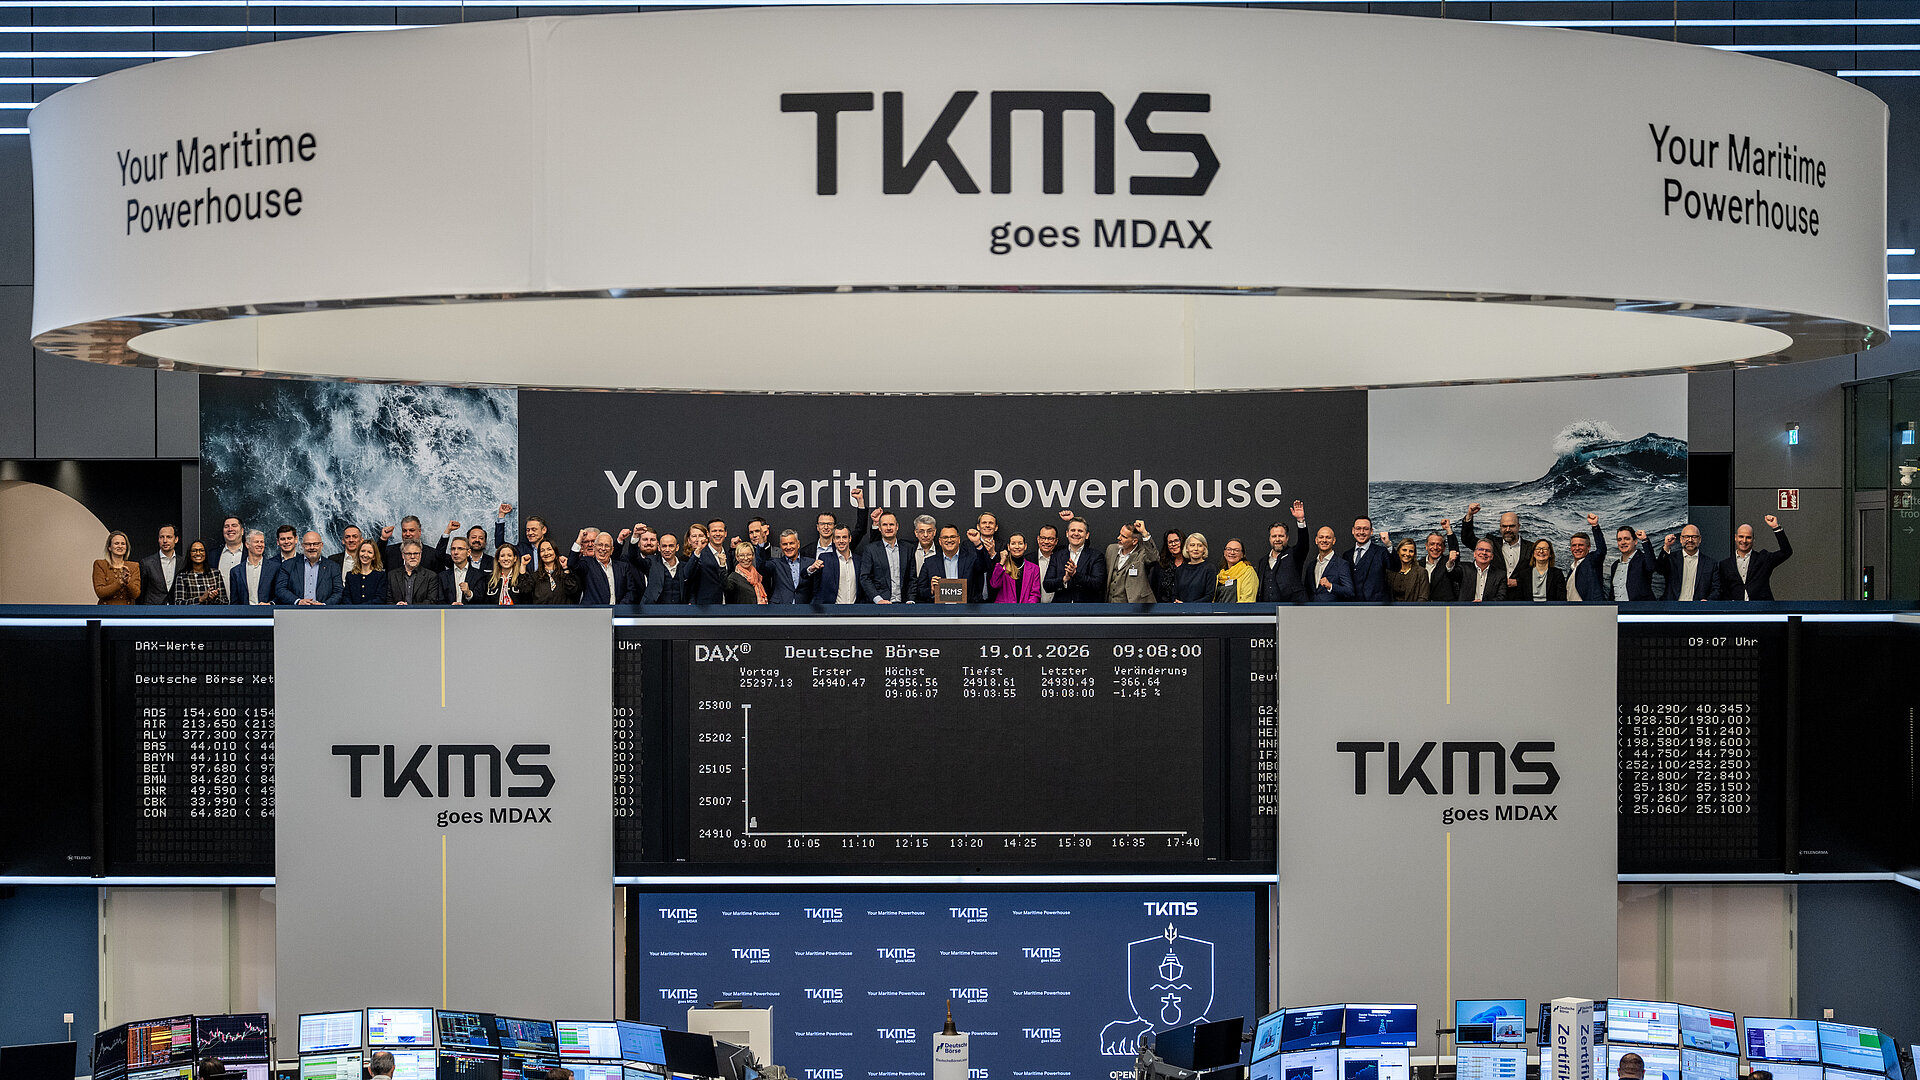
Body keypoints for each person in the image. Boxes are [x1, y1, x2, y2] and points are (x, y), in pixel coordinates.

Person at [1719, 515, 1792, 600]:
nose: (1744, 541)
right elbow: (1722, 591)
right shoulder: (1725, 564)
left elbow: (1786, 552)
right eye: (1741, 536)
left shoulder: (1763, 559)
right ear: (1735, 537)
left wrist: (1775, 527)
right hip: (1736, 607)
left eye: (1748, 537)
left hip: (1761, 607)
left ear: (1753, 539)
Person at [1461, 504, 1528, 595]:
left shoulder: (1530, 548)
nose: (1507, 529)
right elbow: (1468, 539)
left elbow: (1536, 574)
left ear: (1518, 526)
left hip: (1519, 597)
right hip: (1493, 597)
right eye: (1504, 526)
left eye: (1511, 526)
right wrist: (1469, 515)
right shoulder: (1491, 544)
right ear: (1500, 527)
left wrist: (1518, 582)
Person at [915, 523, 990, 602]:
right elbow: (920, 590)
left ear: (959, 539)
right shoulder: (929, 562)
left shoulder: (971, 559)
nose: (949, 540)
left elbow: (984, 567)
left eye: (953, 537)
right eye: (945, 537)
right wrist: (931, 590)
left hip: (967, 607)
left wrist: (977, 543)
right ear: (940, 541)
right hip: (940, 608)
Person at [1044, 514, 1107, 603]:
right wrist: (1064, 579)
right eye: (1073, 530)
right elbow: (1047, 585)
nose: (1076, 533)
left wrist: (1075, 574)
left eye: (1080, 531)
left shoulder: (1096, 556)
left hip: (1086, 609)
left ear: (1087, 535)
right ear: (1067, 533)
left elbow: (1098, 584)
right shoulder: (1057, 556)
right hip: (1061, 608)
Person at [857, 511, 913, 603]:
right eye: (885, 525)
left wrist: (910, 600)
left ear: (897, 527)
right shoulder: (870, 549)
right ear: (879, 528)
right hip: (880, 604)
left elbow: (912, 578)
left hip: (904, 604)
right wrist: (878, 599)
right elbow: (865, 578)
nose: (888, 528)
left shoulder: (908, 548)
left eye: (891, 524)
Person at [275, 532, 344, 605]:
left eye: (315, 544)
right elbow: (280, 589)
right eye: (308, 544)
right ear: (302, 546)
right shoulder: (288, 565)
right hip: (296, 609)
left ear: (321, 545)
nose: (312, 547)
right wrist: (298, 601)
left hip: (324, 610)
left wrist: (324, 605)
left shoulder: (333, 567)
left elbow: (338, 592)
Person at [574, 530, 639, 605]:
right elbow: (572, 564)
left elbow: (631, 591)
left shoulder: (623, 567)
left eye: (607, 546)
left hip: (618, 610)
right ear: (594, 548)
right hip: (593, 610)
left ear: (612, 550)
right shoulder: (587, 564)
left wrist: (620, 607)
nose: (603, 548)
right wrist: (579, 539)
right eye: (600, 545)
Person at [1658, 524, 1719, 601]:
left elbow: (1716, 589)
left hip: (1697, 607)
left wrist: (1708, 601)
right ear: (1681, 539)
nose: (1690, 540)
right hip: (1673, 606)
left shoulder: (1710, 564)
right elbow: (1659, 569)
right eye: (1686, 537)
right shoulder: (1671, 559)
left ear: (1699, 539)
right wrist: (1667, 546)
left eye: (1694, 537)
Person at [1105, 519, 1160, 603]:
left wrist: (1145, 533)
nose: (1118, 538)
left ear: (1134, 541)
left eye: (1123, 537)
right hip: (1111, 604)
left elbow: (1154, 559)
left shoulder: (1142, 554)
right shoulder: (1111, 549)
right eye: (1120, 534)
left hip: (1135, 604)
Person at [808, 525, 861, 604]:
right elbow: (807, 577)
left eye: (844, 537)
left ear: (850, 539)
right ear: (833, 540)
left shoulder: (859, 560)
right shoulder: (825, 558)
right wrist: (811, 569)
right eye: (838, 537)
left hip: (856, 609)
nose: (841, 541)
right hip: (832, 609)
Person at [1258, 520, 1308, 604]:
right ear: (1270, 539)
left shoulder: (1294, 554)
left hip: (1291, 607)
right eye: (1274, 536)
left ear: (1287, 538)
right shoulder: (1263, 561)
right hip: (1267, 608)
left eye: (1281, 536)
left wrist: (1301, 521)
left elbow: (1303, 544)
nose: (1277, 539)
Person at [641, 534, 695, 605]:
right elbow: (634, 558)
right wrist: (635, 538)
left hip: (679, 609)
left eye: (671, 546)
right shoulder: (651, 562)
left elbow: (691, 589)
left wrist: (691, 603)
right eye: (664, 546)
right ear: (659, 548)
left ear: (677, 547)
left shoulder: (684, 566)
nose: (667, 550)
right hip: (654, 608)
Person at [1606, 525, 1656, 601]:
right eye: (1619, 540)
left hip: (1639, 607)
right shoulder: (1615, 565)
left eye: (1627, 539)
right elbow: (1612, 594)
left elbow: (1652, 566)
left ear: (1635, 541)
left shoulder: (1643, 560)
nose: (1623, 542)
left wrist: (1645, 540)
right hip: (1618, 607)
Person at [1304, 527, 1354, 603]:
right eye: (1321, 537)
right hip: (1312, 609)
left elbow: (1349, 592)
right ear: (1316, 540)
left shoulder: (1341, 564)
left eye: (1328, 537)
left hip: (1332, 609)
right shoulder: (1311, 566)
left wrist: (1330, 586)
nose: (1324, 540)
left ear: (1334, 541)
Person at [1345, 517, 1389, 602]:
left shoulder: (1381, 552)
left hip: (1375, 606)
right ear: (1353, 531)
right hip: (1352, 606)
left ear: (1371, 531)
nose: (1361, 532)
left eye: (1365, 529)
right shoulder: (1347, 555)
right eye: (1358, 528)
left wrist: (1388, 545)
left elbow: (1396, 566)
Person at [989, 534, 1043, 603]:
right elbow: (994, 584)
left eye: (1020, 543)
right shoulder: (1002, 566)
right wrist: (1002, 562)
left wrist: (1027, 607)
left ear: (1025, 546)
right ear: (1008, 547)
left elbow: (1035, 594)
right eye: (1013, 543)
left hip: (1026, 608)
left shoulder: (1034, 568)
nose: (1017, 547)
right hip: (1004, 608)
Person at [690, 517, 733, 605]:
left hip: (727, 605)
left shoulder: (729, 555)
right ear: (708, 534)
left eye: (720, 531)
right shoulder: (700, 554)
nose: (718, 534)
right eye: (714, 531)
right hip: (705, 606)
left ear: (725, 533)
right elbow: (689, 576)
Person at [227, 529, 276, 605]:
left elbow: (280, 593)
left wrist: (270, 604)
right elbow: (234, 602)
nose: (260, 545)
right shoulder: (236, 571)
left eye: (262, 542)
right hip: (245, 612)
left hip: (268, 611)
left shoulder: (274, 568)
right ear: (247, 545)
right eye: (256, 542)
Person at [765, 529, 814, 605]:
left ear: (798, 544)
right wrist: (761, 544)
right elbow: (761, 567)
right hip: (780, 608)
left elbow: (817, 589)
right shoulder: (775, 564)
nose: (788, 547)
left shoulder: (810, 563)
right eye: (785, 544)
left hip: (804, 608)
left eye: (791, 543)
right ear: (781, 546)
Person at [93, 530, 143, 604]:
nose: (120, 546)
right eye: (116, 543)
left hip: (127, 609)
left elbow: (135, 594)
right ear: (109, 547)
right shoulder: (100, 564)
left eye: (123, 544)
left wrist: (128, 582)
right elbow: (100, 592)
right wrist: (120, 582)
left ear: (126, 548)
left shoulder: (134, 566)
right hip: (106, 609)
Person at [1564, 516, 1607, 602]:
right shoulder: (1572, 568)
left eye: (1581, 545)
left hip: (1590, 608)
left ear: (1588, 547)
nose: (1577, 548)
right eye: (1574, 545)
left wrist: (1595, 526)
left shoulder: (1591, 561)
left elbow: (1601, 550)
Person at [172, 540, 228, 605]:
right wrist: (200, 599)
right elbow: (178, 603)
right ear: (189, 554)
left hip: (212, 611)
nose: (198, 553)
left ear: (205, 553)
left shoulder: (215, 574)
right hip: (192, 611)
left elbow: (225, 602)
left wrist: (214, 598)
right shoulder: (182, 576)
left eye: (201, 550)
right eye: (194, 551)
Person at [495, 503, 549, 568]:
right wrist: (501, 515)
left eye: (534, 529)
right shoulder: (521, 549)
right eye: (528, 530)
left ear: (544, 530)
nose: (530, 533)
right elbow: (499, 544)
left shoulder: (551, 549)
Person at [527, 539, 582, 604]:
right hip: (542, 610)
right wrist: (523, 566)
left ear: (555, 552)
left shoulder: (565, 573)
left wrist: (565, 568)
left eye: (549, 549)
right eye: (542, 551)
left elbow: (572, 590)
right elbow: (525, 591)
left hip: (563, 610)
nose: (546, 553)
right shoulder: (535, 576)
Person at [138, 524, 181, 604]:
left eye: (169, 537)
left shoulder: (183, 562)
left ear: (176, 539)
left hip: (176, 608)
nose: (165, 541)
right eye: (161, 537)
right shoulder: (147, 563)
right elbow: (141, 592)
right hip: (153, 609)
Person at [440, 536, 489, 605]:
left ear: (468, 552)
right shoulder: (442, 576)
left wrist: (469, 594)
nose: (455, 552)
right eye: (453, 549)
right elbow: (439, 601)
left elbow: (482, 601)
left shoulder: (480, 575)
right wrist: (450, 607)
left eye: (460, 549)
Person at [1513, 538, 1565, 602]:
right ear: (1533, 554)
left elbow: (1561, 599)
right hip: (1529, 607)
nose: (1541, 551)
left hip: (1551, 607)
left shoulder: (1557, 574)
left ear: (1550, 554)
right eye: (1538, 548)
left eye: (1545, 549)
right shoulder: (1524, 574)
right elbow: (1519, 599)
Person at [1169, 533, 1216, 602]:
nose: (1196, 549)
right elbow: (1174, 594)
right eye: (1192, 545)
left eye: (1200, 545)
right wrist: (1177, 603)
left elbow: (1209, 596)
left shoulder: (1209, 568)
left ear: (1204, 549)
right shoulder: (1180, 570)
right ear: (1187, 548)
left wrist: (1188, 605)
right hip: (1181, 608)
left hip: (1201, 608)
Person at [341, 539, 389, 605]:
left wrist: (361, 608)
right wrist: (354, 609)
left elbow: (380, 598)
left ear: (374, 556)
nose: (365, 555)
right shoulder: (350, 575)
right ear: (358, 553)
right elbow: (346, 597)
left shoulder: (380, 576)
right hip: (352, 611)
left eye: (369, 552)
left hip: (373, 611)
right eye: (363, 551)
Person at [723, 539, 769, 604]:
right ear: (737, 557)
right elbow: (726, 588)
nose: (746, 558)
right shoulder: (733, 577)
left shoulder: (758, 576)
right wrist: (722, 567)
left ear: (753, 556)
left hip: (760, 610)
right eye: (741, 555)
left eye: (749, 554)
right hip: (742, 610)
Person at [1421, 526, 1460, 602]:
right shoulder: (1419, 564)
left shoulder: (1448, 562)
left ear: (1444, 548)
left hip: (1444, 606)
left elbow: (1454, 551)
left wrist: (1448, 529)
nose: (1435, 547)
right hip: (1423, 606)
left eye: (1439, 544)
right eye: (1432, 544)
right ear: (1426, 546)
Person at [1385, 537, 1429, 603]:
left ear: (1414, 554)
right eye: (1404, 550)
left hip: (1413, 609)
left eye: (1411, 551)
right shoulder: (1389, 571)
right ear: (1398, 551)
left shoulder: (1421, 572)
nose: (1407, 554)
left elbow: (1423, 598)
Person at [1033, 523, 1061, 603]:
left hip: (1058, 606)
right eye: (1043, 538)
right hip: (1034, 607)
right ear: (1038, 539)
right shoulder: (1028, 560)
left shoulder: (1062, 560)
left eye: (1050, 539)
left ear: (1056, 541)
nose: (1046, 542)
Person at [1158, 527, 1187, 603]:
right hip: (1165, 606)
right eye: (1170, 542)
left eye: (1176, 541)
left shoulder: (1190, 563)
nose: (1173, 544)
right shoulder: (1162, 564)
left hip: (1186, 605)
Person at [215, 515, 246, 579]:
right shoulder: (212, 555)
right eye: (226, 526)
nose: (230, 529)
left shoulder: (251, 554)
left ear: (242, 531)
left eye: (234, 526)